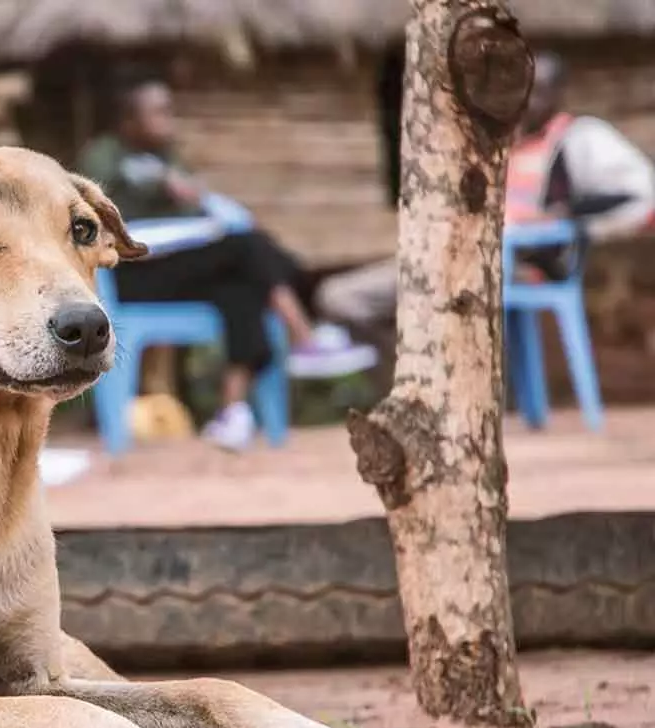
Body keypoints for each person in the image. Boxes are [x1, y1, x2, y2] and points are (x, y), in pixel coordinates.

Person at [77, 78, 378, 451]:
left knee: (242, 289)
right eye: (157, 112)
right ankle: (304, 335)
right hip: (133, 276)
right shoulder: (106, 155)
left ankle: (231, 411)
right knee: (248, 246)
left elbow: (193, 204)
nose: (167, 121)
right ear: (129, 122)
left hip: (181, 268)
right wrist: (166, 184)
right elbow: (116, 196)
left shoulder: (170, 155)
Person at [318, 50, 655, 333]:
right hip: (458, 256)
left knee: (436, 298)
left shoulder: (579, 139)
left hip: (521, 265)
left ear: (558, 94)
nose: (527, 100)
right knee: (337, 297)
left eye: (539, 91)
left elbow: (640, 195)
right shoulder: (497, 144)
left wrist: (565, 214)